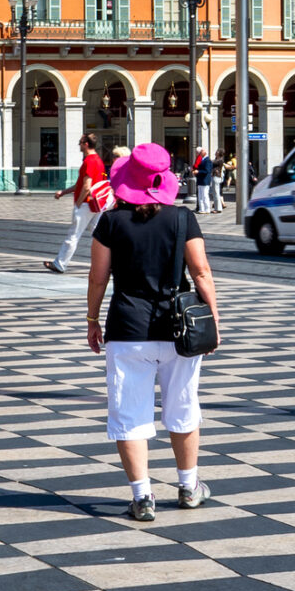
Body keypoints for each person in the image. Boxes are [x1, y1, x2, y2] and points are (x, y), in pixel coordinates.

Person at [86, 143, 221, 522]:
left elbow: (98, 278)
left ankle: (143, 497)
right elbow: (201, 273)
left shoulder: (110, 222)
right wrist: (213, 318)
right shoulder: (182, 219)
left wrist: (92, 320)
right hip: (178, 328)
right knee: (183, 407)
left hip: (128, 328)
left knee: (129, 413)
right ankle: (189, 486)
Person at [45, 135, 112, 274]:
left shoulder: (89, 161)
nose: (79, 145)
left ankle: (60, 264)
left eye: (80, 142)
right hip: (97, 204)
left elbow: (86, 186)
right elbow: (80, 184)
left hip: (86, 205)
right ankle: (111, 263)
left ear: (86, 144)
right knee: (99, 235)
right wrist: (63, 192)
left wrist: (79, 203)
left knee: (73, 235)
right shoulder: (99, 160)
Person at [193, 149, 218, 214]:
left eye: (201, 152)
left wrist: (198, 171)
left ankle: (207, 209)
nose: (200, 153)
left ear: (205, 153)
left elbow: (207, 171)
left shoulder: (208, 160)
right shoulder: (202, 159)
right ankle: (202, 209)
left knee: (204, 195)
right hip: (200, 180)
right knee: (200, 195)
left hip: (205, 180)